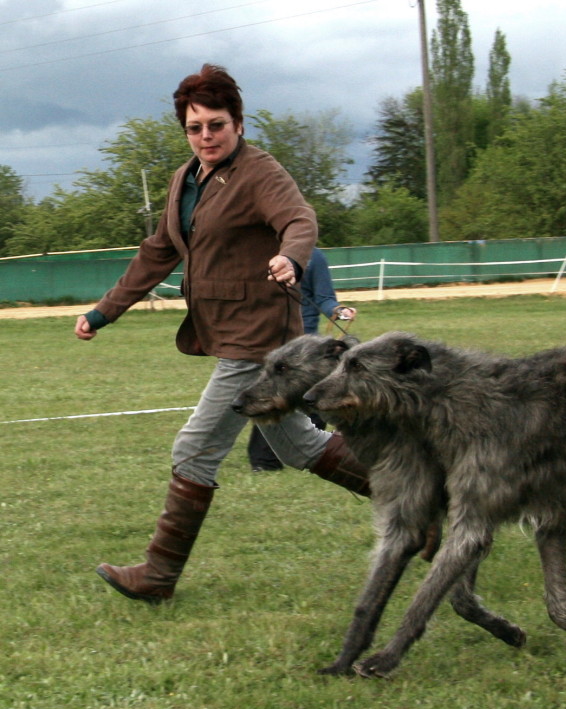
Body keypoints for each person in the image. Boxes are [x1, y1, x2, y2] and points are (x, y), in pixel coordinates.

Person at [75, 64, 370, 604]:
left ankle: (158, 575)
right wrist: (103, 312)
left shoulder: (259, 171)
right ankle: (423, 500)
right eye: (195, 127)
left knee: (193, 449)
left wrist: (291, 257)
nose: (206, 136)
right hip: (229, 332)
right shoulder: (185, 180)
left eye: (216, 125)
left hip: (258, 341)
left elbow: (299, 220)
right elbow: (157, 252)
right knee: (300, 445)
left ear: (238, 123)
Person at [247, 247, 355, 472]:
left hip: (305, 351)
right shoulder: (255, 251)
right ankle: (264, 461)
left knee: (315, 402)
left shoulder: (314, 257)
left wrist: (339, 311)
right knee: (268, 398)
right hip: (268, 342)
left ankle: (323, 453)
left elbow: (325, 299)